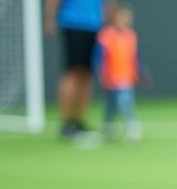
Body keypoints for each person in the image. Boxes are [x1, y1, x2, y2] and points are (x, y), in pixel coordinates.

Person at [44, 0, 113, 140]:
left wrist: (108, 22)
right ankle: (67, 123)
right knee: (74, 72)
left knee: (87, 74)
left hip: (95, 26)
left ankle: (79, 122)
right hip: (74, 23)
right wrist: (50, 19)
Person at [93, 3, 148, 144]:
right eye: (121, 18)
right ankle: (108, 127)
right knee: (110, 106)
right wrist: (102, 76)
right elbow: (99, 58)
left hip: (126, 78)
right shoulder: (106, 36)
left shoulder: (131, 36)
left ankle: (132, 128)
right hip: (111, 78)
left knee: (125, 102)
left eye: (127, 18)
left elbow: (136, 57)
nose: (124, 21)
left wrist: (141, 72)